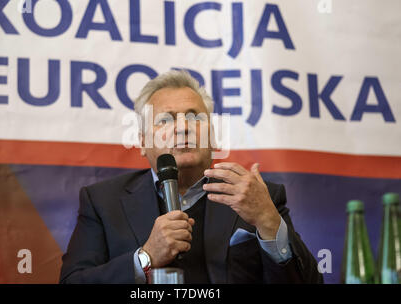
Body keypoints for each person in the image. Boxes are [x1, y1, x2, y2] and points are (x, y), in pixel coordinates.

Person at [59, 70, 323, 284]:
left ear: (213, 136)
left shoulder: (258, 197)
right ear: (142, 142)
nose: (183, 127)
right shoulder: (103, 202)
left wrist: (268, 222)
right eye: (165, 120)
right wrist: (145, 257)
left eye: (195, 117)